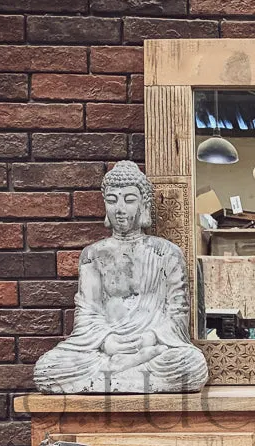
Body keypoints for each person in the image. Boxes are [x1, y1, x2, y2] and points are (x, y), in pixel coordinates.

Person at [33, 161, 208, 394]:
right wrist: (107, 342)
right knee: (46, 370)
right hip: (107, 347)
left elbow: (177, 314)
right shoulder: (93, 255)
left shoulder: (167, 252)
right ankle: (126, 371)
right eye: (112, 200)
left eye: (129, 199)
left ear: (144, 204)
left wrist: (149, 338)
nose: (120, 209)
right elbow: (87, 314)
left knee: (192, 366)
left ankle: (116, 375)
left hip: (151, 345)